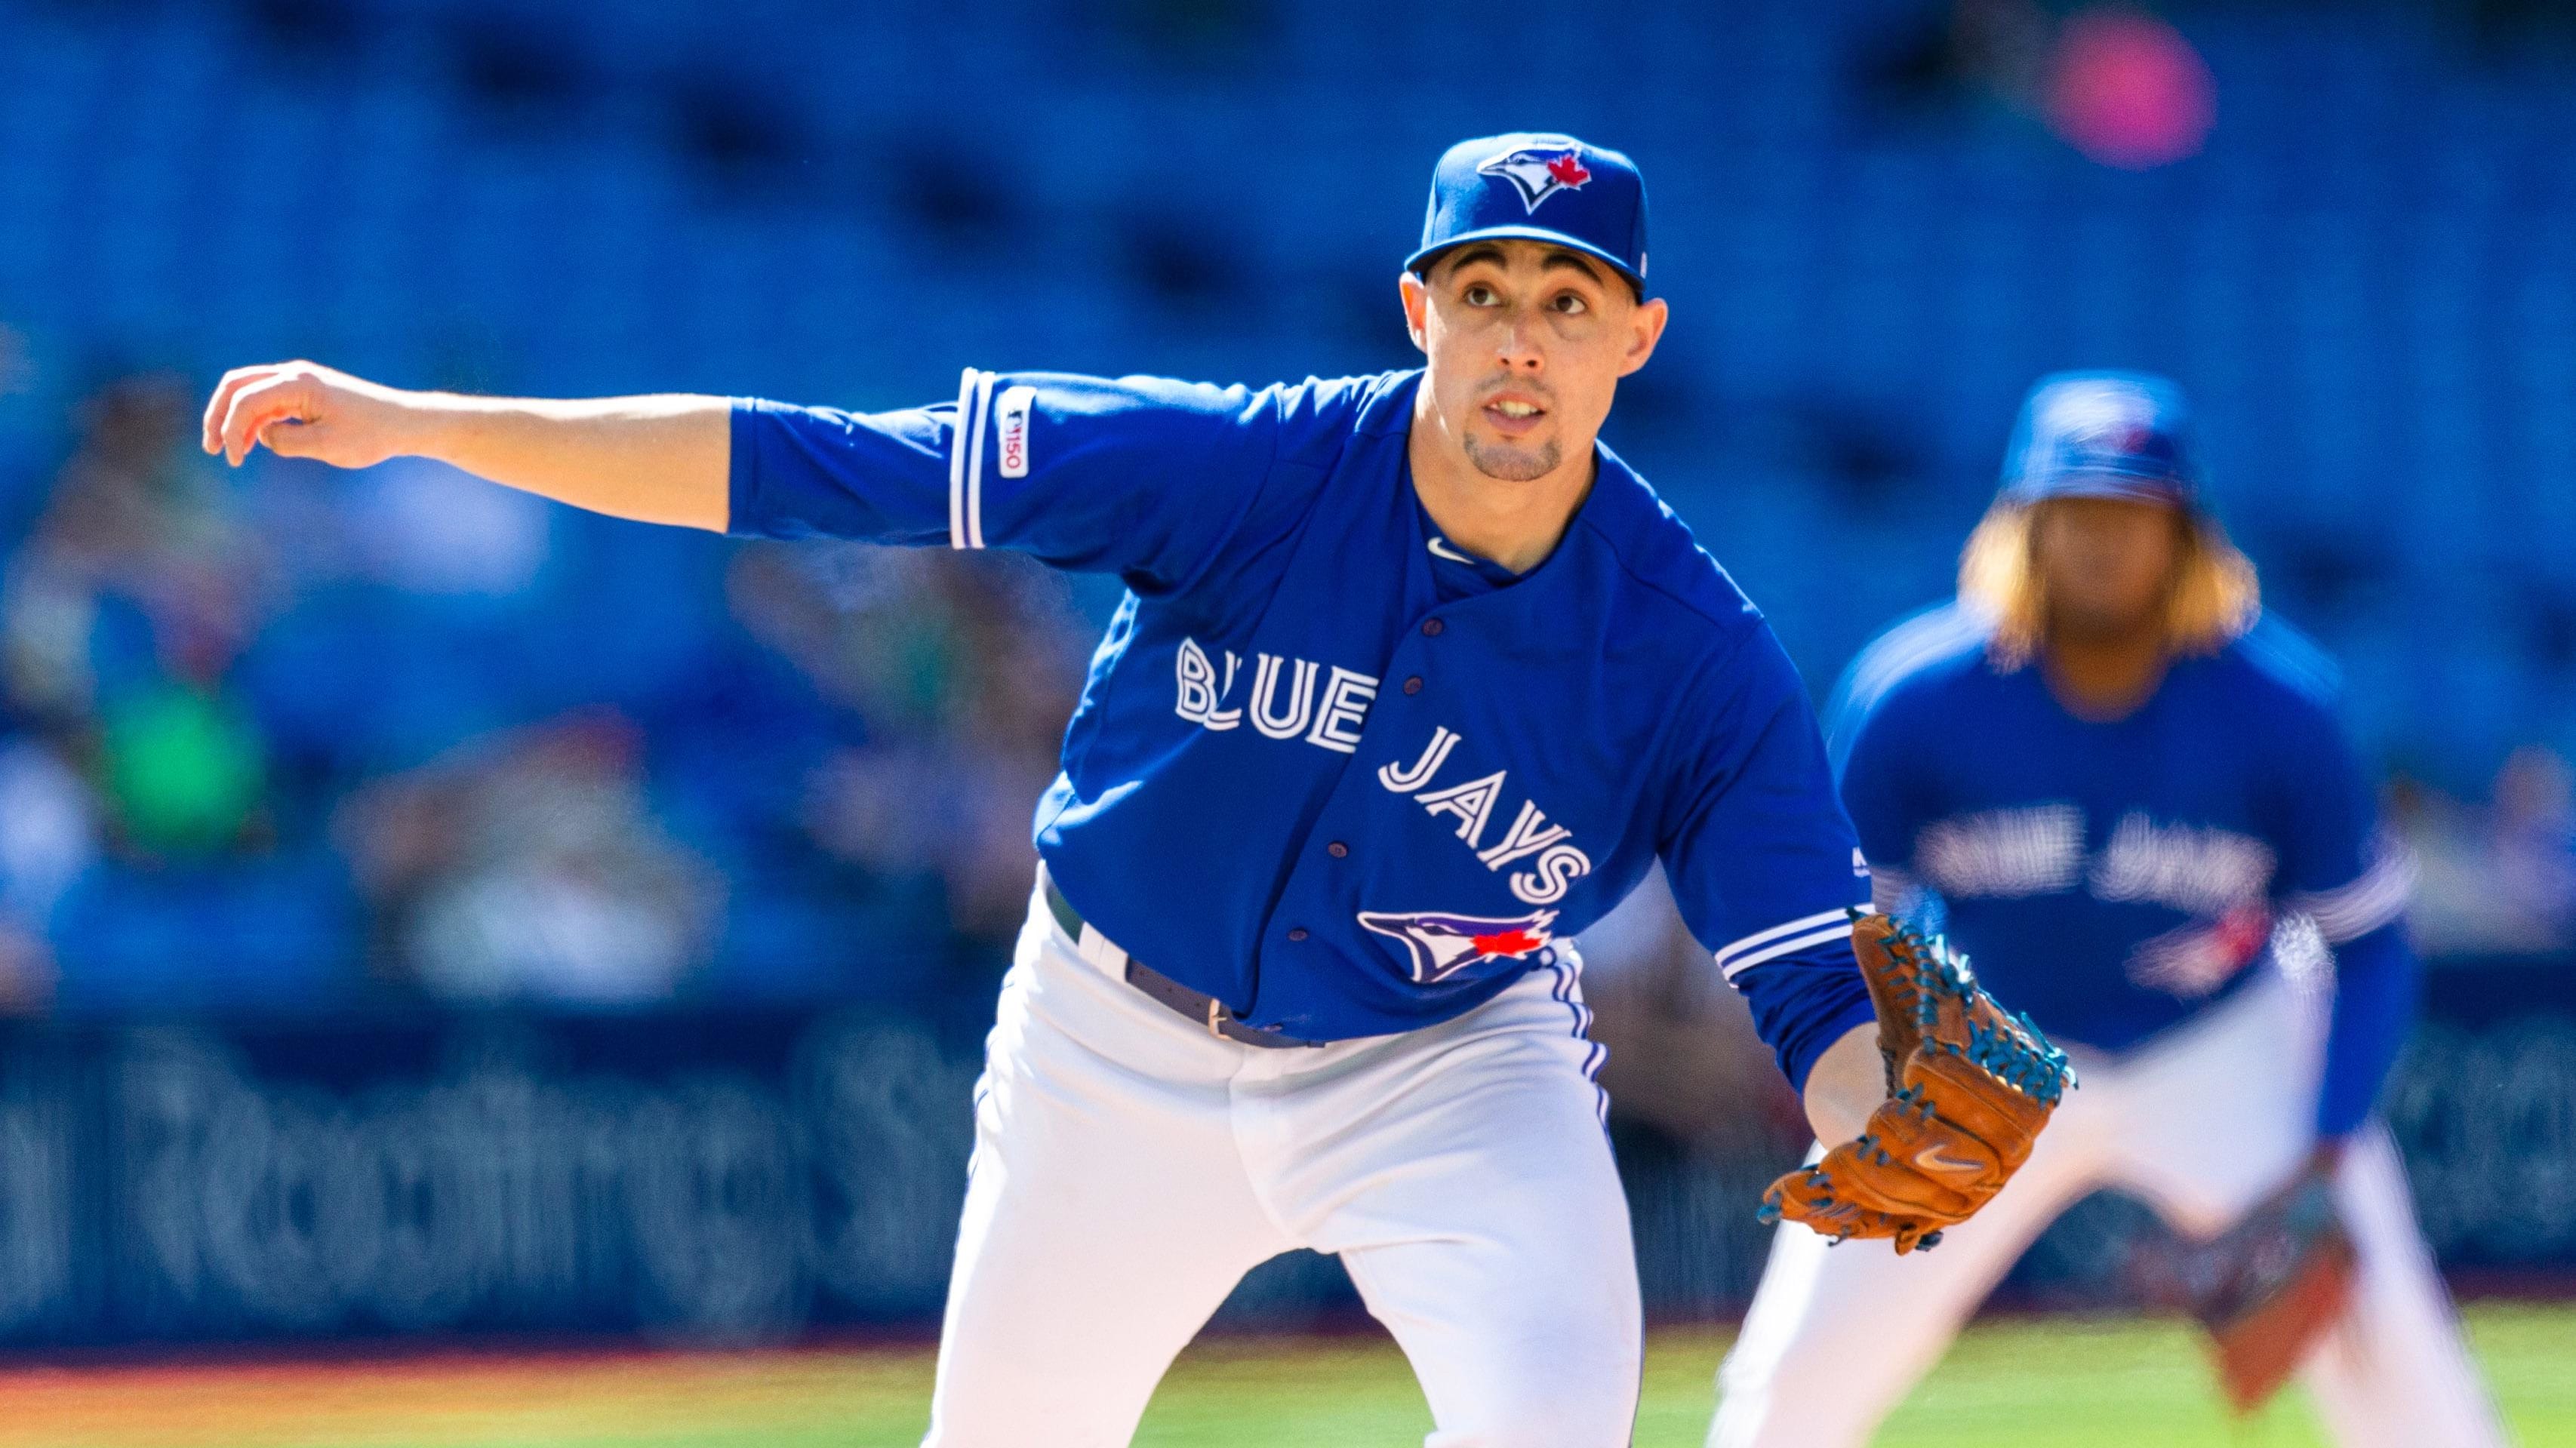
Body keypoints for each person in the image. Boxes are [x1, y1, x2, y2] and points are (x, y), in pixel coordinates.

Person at [205, 134, 1930, 1447]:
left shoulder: (1698, 653)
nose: (1520, 344)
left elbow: (1805, 987)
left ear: (1639, 334)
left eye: (1568, 303)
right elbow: (820, 466)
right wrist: (419, 419)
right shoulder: (1237, 466)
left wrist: (1887, 1124)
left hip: (1445, 1073)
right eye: (1484, 293)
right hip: (1111, 1052)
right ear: (1419, 312)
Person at [1709, 373, 2506, 1447]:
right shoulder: (1913, 697)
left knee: (2406, 1379)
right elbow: (1843, 932)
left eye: (2132, 512)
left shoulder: (2278, 708)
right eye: (2073, 510)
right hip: (1981, 1046)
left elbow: (2365, 945)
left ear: (2186, 536)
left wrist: (2322, 1154)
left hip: (2223, 1047)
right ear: (2020, 526)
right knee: (1790, 1388)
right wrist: (1859, 1081)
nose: (2101, 539)